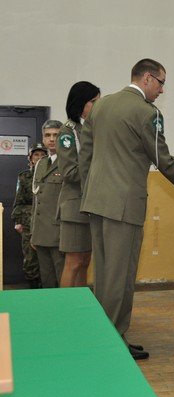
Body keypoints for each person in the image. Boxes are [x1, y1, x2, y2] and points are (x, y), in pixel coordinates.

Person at [80, 58, 174, 360]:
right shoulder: (147, 112)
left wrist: (91, 192)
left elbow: (85, 155)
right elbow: (162, 158)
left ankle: (108, 334)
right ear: (148, 78)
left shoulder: (100, 106)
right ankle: (112, 341)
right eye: (161, 83)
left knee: (104, 275)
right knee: (120, 276)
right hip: (124, 205)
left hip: (96, 202)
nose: (162, 90)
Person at [57, 81, 101, 288]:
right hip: (74, 207)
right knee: (73, 262)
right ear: (80, 103)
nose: (97, 106)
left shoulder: (91, 129)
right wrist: (99, 171)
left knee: (85, 261)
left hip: (90, 205)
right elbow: (70, 172)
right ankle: (65, 304)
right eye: (94, 101)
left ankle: (81, 303)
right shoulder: (68, 132)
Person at [31, 119, 65, 288]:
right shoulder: (40, 163)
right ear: (43, 139)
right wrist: (33, 232)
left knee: (63, 280)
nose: (51, 139)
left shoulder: (70, 162)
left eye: (56, 135)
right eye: (47, 135)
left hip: (59, 233)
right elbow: (36, 200)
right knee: (47, 280)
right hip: (41, 233)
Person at [11, 143, 48, 288]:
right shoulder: (24, 176)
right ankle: (33, 290)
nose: (39, 157)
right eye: (36, 155)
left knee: (48, 260)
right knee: (31, 260)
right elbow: (19, 200)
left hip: (48, 221)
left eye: (42, 155)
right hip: (28, 222)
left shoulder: (53, 174)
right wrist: (18, 221)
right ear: (30, 158)